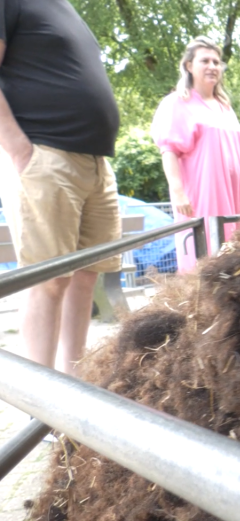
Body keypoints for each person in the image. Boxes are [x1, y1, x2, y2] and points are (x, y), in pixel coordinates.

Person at [0, 0, 121, 377]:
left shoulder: (66, 9)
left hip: (96, 162)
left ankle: (75, 391)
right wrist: (20, 151)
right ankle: (43, 413)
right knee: (48, 280)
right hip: (46, 155)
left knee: (86, 277)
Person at [151, 36, 240, 273]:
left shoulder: (224, 106)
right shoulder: (178, 103)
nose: (212, 66)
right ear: (189, 66)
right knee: (209, 251)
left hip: (237, 192)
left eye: (216, 62)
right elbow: (169, 150)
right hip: (205, 193)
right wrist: (178, 191)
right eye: (205, 61)